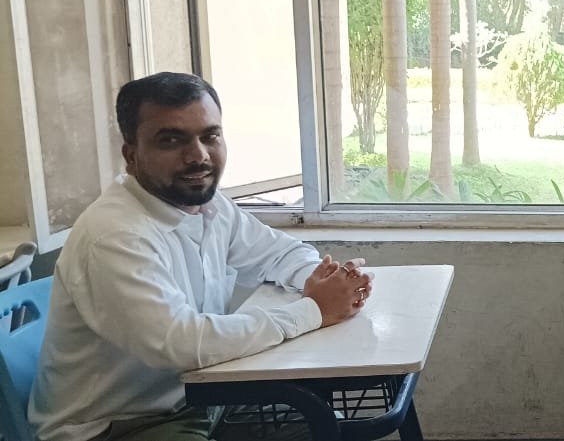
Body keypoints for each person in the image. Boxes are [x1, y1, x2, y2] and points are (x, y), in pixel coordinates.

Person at [30, 72, 373, 441]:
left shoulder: (206, 205)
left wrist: (322, 279)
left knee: (332, 425)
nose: (198, 156)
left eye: (210, 136)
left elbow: (278, 252)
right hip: (118, 427)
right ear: (131, 155)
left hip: (201, 396)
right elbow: (182, 345)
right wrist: (314, 310)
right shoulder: (114, 237)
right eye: (171, 140)